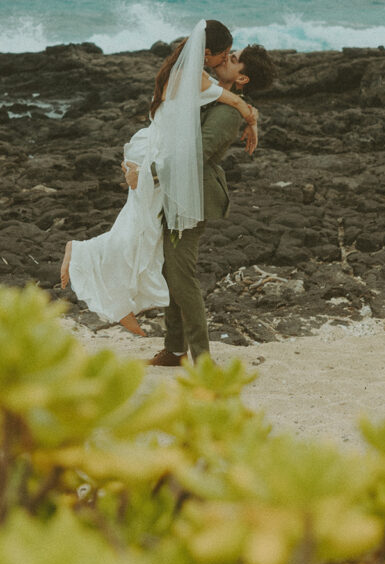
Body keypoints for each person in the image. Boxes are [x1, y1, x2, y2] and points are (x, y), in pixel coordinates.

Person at [60, 20, 258, 336]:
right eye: (225, 54)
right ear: (207, 53)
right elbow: (234, 101)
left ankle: (122, 305)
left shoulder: (192, 74)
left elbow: (232, 102)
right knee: (141, 229)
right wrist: (251, 118)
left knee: (143, 230)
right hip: (156, 154)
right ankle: (84, 256)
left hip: (154, 150)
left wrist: (249, 116)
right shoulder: (193, 77)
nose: (226, 58)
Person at [147, 42, 277, 366]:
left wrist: (149, 172)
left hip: (194, 196)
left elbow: (197, 154)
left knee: (181, 275)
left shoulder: (228, 112)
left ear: (242, 79)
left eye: (233, 60)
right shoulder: (214, 93)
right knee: (170, 269)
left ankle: (202, 361)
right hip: (179, 188)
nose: (225, 59)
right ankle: (174, 350)